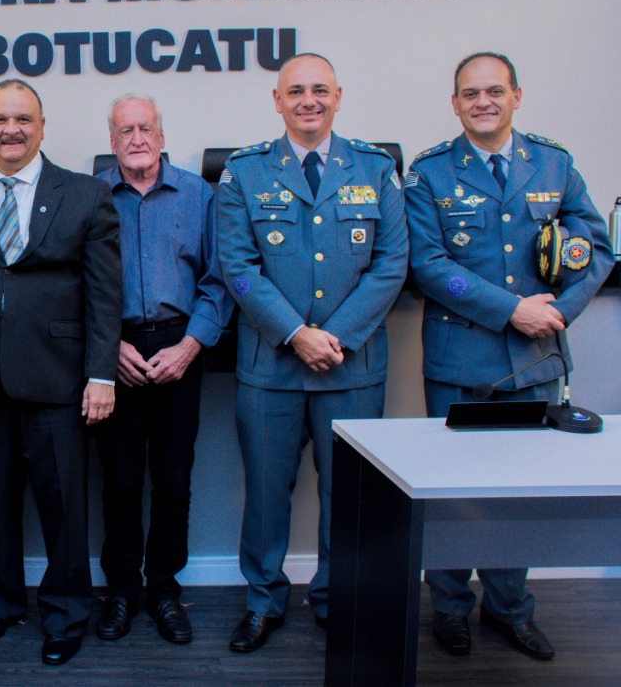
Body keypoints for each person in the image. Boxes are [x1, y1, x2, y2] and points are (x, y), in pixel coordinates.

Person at [403, 52, 613, 662]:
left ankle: (510, 611)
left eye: (494, 91)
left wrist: (556, 313)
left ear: (517, 95)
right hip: (458, 360)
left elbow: (594, 248)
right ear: (455, 103)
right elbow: (429, 265)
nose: (483, 102)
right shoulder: (429, 173)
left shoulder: (554, 162)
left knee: (517, 494)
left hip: (534, 358)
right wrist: (511, 309)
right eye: (470, 94)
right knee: (448, 493)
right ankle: (449, 610)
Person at [216, 53, 408, 652]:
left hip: (353, 369)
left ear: (338, 96)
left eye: (319, 90)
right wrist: (295, 333)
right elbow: (237, 267)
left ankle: (336, 597)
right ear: (277, 100)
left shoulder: (376, 168)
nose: (308, 100)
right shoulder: (243, 173)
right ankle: (263, 601)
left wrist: (337, 337)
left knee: (346, 497)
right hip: (270, 368)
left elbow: (391, 264)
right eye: (295, 91)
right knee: (268, 495)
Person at [0, 78, 121, 667]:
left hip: (59, 379)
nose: (11, 130)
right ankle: (0, 604)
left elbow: (104, 294)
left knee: (63, 505)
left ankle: (68, 612)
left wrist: (102, 373)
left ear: (42, 126)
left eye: (22, 119)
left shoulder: (85, 194)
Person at [93, 94, 233, 645]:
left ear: (161, 133)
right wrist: (109, 348)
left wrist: (191, 346)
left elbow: (220, 280)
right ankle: (122, 590)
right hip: (115, 351)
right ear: (111, 141)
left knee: (174, 479)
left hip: (180, 348)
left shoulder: (200, 195)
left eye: (145, 127)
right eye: (124, 130)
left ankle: (165, 591)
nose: (136, 139)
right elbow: (79, 283)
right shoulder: (91, 196)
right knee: (120, 481)